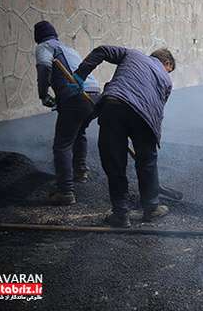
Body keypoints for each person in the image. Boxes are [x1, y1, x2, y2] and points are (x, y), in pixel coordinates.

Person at [72, 46, 175, 227]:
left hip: (114, 106)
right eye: (170, 70)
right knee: (147, 161)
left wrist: (80, 74)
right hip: (145, 117)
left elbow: (102, 50)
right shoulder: (166, 80)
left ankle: (121, 213)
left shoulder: (132, 54)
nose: (169, 73)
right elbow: (158, 109)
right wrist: (151, 142)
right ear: (167, 63)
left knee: (115, 163)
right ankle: (151, 208)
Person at [34, 21, 101, 206]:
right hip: (95, 96)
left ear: (38, 36)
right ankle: (80, 171)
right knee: (78, 132)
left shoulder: (44, 46)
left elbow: (44, 67)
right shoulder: (67, 48)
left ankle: (65, 191)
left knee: (62, 144)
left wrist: (43, 94)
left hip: (77, 96)